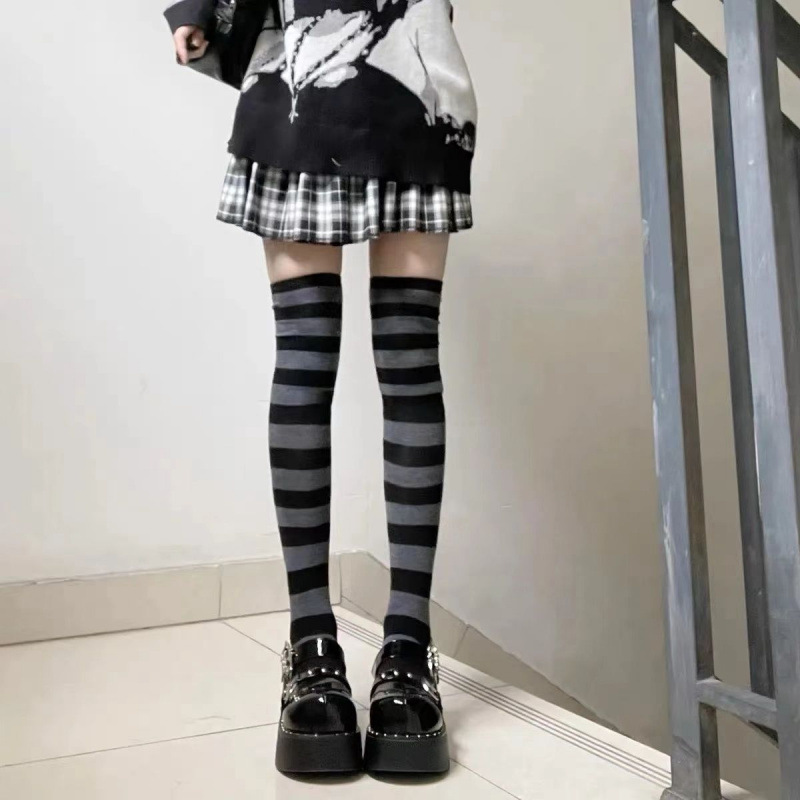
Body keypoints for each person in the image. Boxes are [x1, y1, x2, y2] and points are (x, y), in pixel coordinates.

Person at [165, 0, 477, 776]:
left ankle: (407, 642)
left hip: (412, 78)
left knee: (408, 362)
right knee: (307, 360)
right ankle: (312, 641)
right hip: (296, 86)